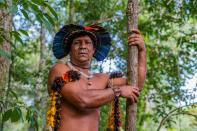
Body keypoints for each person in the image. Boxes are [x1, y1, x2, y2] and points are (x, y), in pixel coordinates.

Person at [46, 24, 146, 131]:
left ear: (93, 50)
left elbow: (136, 85)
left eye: (87, 43)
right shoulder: (60, 70)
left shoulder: (102, 79)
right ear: (70, 49)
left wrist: (142, 51)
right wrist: (118, 91)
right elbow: (82, 100)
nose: (83, 46)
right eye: (77, 43)